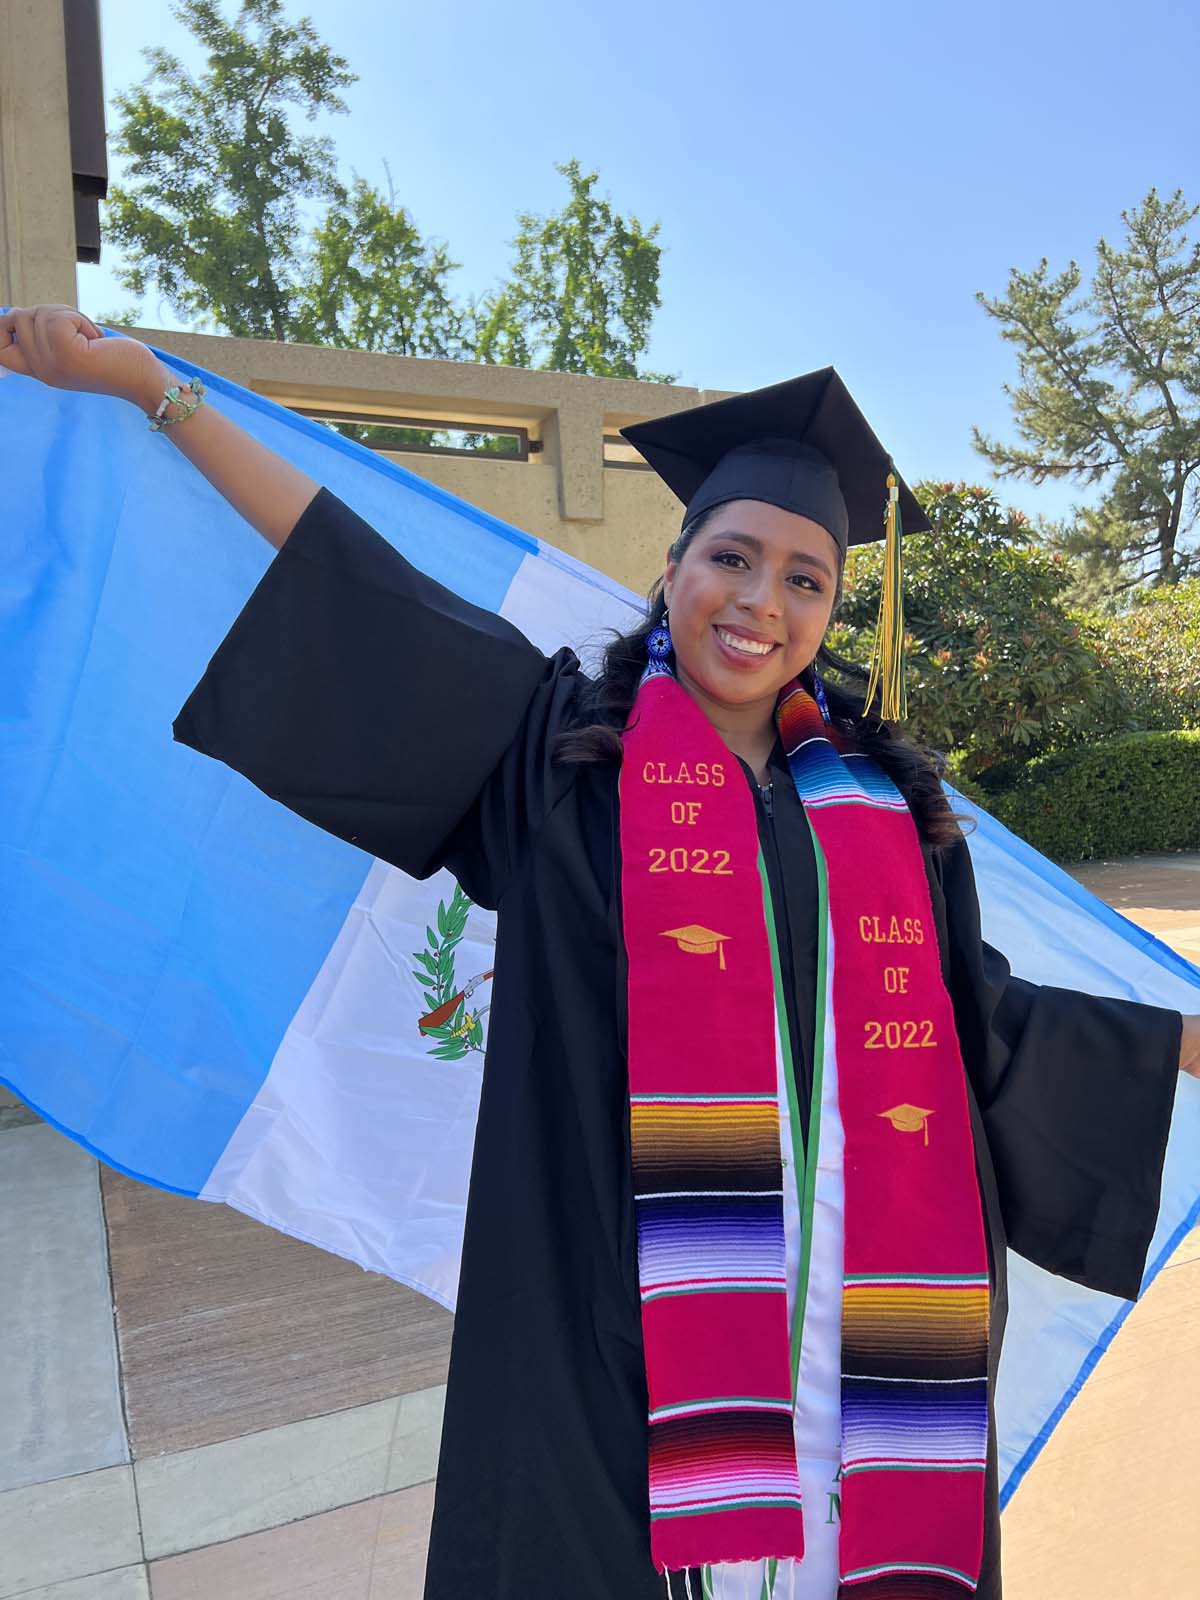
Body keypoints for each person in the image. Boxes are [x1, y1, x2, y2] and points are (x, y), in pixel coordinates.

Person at [3, 305, 1198, 1600]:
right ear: (674, 564)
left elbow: (987, 1025)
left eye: (806, 578)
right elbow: (365, 582)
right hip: (620, 1320)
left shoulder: (893, 814)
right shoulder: (568, 757)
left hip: (860, 1330)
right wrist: (151, 394)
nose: (761, 602)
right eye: (733, 558)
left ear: (832, 611)